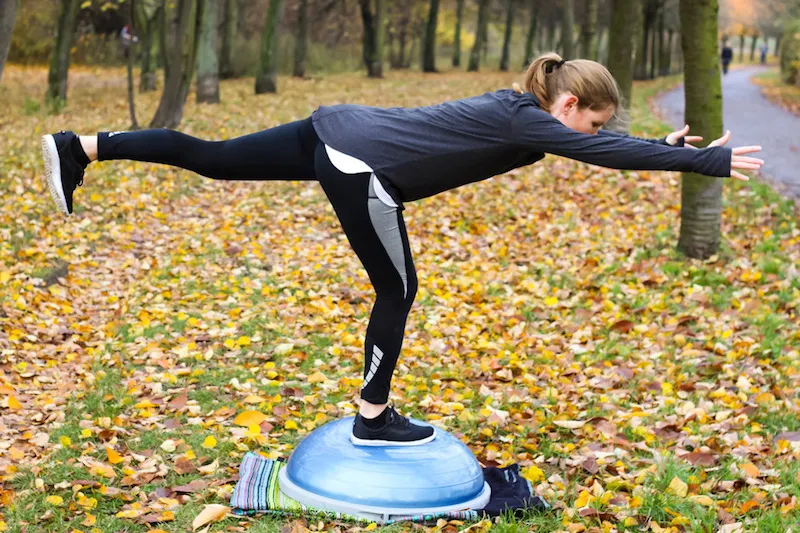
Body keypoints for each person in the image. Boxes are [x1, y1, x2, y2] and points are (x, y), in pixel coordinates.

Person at [40, 53, 763, 447]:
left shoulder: (522, 109)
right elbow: (602, 155)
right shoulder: (532, 123)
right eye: (593, 122)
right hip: (363, 169)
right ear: (568, 105)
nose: (593, 135)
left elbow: (601, 147)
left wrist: (658, 144)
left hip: (334, 129)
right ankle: (373, 414)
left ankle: (82, 146)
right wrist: (705, 162)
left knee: (214, 158)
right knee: (398, 291)